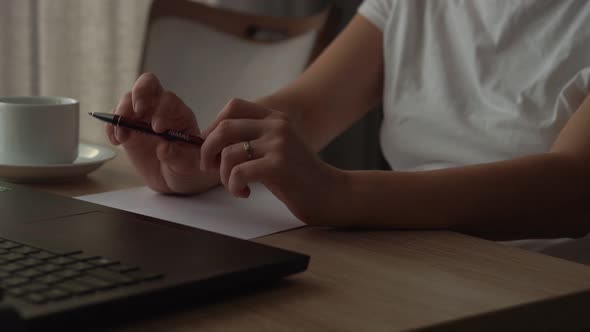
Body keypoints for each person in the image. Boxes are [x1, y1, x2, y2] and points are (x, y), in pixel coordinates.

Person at [106, 0, 590, 243]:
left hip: (539, 284)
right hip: (406, 252)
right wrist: (202, 157)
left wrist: (342, 194)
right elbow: (309, 108)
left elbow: (574, 186)